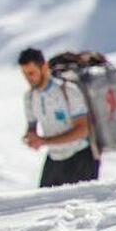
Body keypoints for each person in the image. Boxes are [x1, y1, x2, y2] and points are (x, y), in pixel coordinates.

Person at [18, 47, 99, 187]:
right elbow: (31, 127)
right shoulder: (30, 97)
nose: (28, 79)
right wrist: (30, 137)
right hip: (54, 158)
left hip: (80, 157)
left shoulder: (68, 91)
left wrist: (44, 141)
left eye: (31, 73)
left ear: (43, 67)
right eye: (24, 74)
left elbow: (83, 130)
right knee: (44, 206)